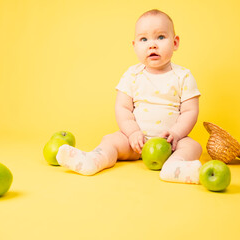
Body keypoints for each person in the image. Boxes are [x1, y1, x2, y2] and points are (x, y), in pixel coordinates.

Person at [56, 9, 203, 184]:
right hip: (135, 142)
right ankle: (93, 160)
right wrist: (132, 133)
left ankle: (174, 166)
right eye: (144, 39)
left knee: (193, 147)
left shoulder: (183, 76)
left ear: (175, 42)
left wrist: (177, 134)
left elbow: (190, 111)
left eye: (161, 37)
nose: (152, 45)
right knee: (110, 140)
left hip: (171, 143)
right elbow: (123, 108)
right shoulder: (132, 75)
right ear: (134, 45)